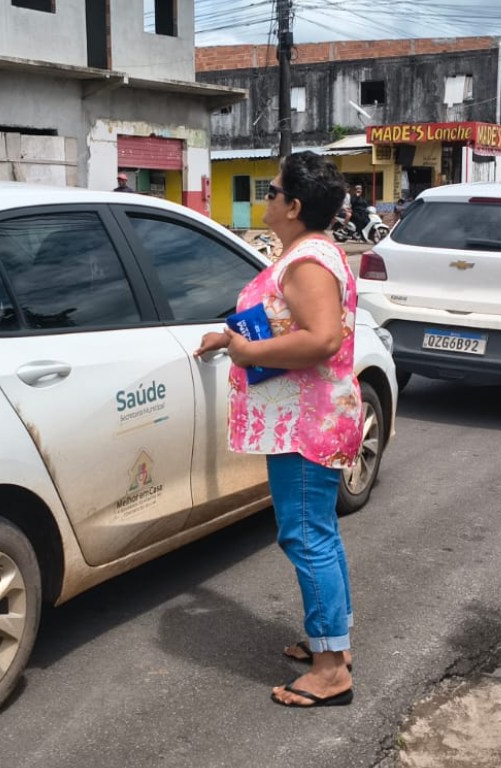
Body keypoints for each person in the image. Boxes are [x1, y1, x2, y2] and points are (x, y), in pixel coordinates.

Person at [193, 151, 363, 708]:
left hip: (305, 423)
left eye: (271, 192)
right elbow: (287, 319)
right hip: (306, 417)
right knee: (317, 532)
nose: (264, 199)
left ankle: (331, 670)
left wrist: (249, 351)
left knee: (305, 535)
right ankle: (330, 640)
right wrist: (230, 336)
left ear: (293, 206)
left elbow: (321, 339)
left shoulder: (308, 261)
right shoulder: (307, 253)